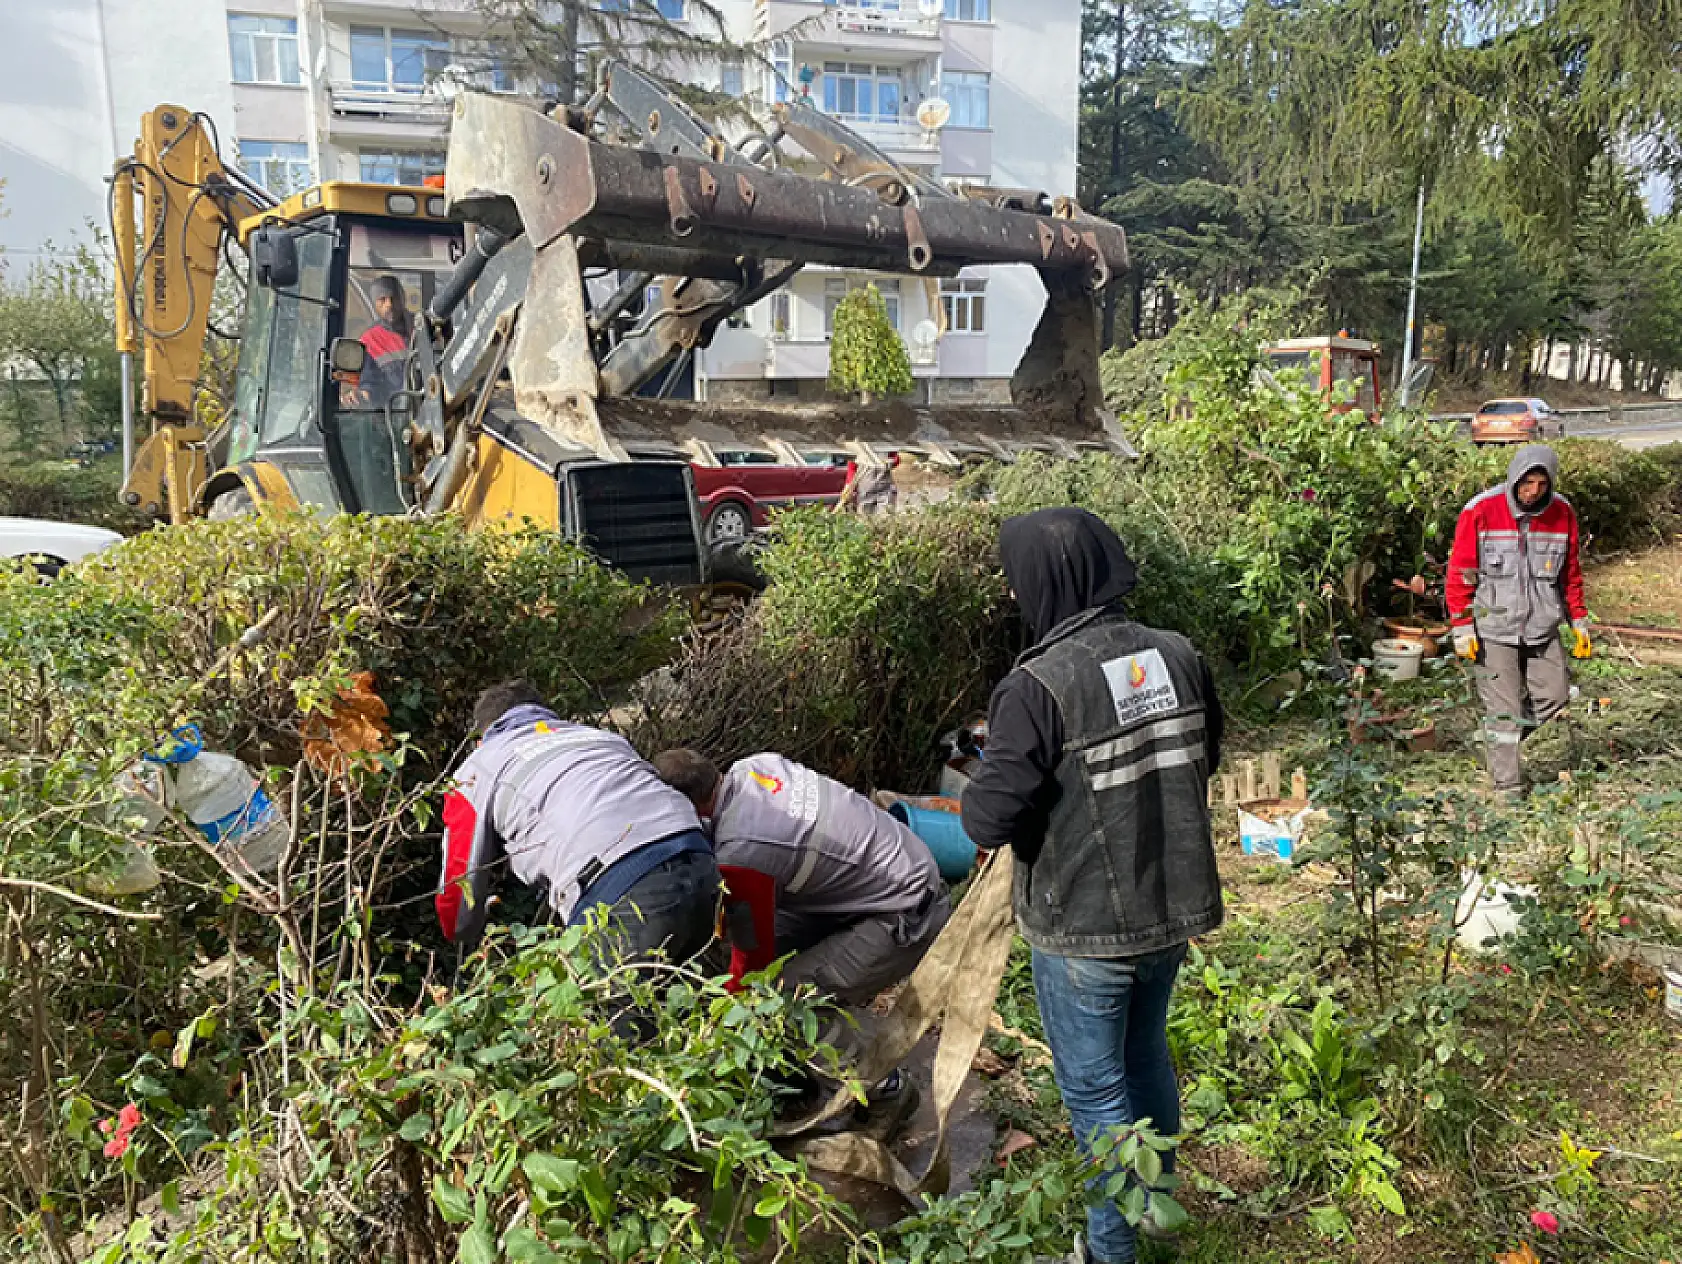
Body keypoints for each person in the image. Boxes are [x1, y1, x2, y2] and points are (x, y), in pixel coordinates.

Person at [960, 508, 1224, 1264]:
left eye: (1018, 582)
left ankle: (1112, 1251)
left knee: (1096, 1092)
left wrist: (995, 762)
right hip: (1171, 907)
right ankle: (1156, 1211)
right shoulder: (1177, 654)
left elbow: (988, 820)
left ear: (1044, 583)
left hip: (1084, 928)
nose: (1016, 596)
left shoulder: (1036, 686)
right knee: (1144, 1058)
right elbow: (1202, 753)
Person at [435, 681, 720, 965]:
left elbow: (460, 886)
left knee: (596, 993)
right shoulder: (599, 737)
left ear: (481, 737)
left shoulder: (478, 767)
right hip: (700, 857)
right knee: (676, 988)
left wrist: (461, 931)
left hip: (623, 883)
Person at [652, 748, 950, 1006]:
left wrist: (727, 1013)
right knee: (744, 945)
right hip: (897, 864)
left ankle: (867, 1056)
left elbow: (753, 957)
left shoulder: (741, 853)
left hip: (906, 911)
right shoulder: (757, 766)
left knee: (783, 1002)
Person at [1447, 443, 1591, 797]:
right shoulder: (1481, 510)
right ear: (1514, 479)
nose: (1533, 491)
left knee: (1556, 699)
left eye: (1542, 484)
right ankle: (1507, 790)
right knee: (1504, 713)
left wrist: (1579, 620)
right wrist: (1462, 627)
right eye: (1527, 483)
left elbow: (1570, 573)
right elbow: (1460, 573)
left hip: (1542, 627)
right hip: (1494, 629)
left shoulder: (1562, 513)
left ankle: (1498, 739)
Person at [355, 276, 413, 405]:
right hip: (397, 411)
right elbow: (368, 383)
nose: (389, 304)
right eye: (382, 299)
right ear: (374, 304)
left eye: (394, 298)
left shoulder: (423, 327)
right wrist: (362, 395)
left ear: (403, 299)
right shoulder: (369, 341)